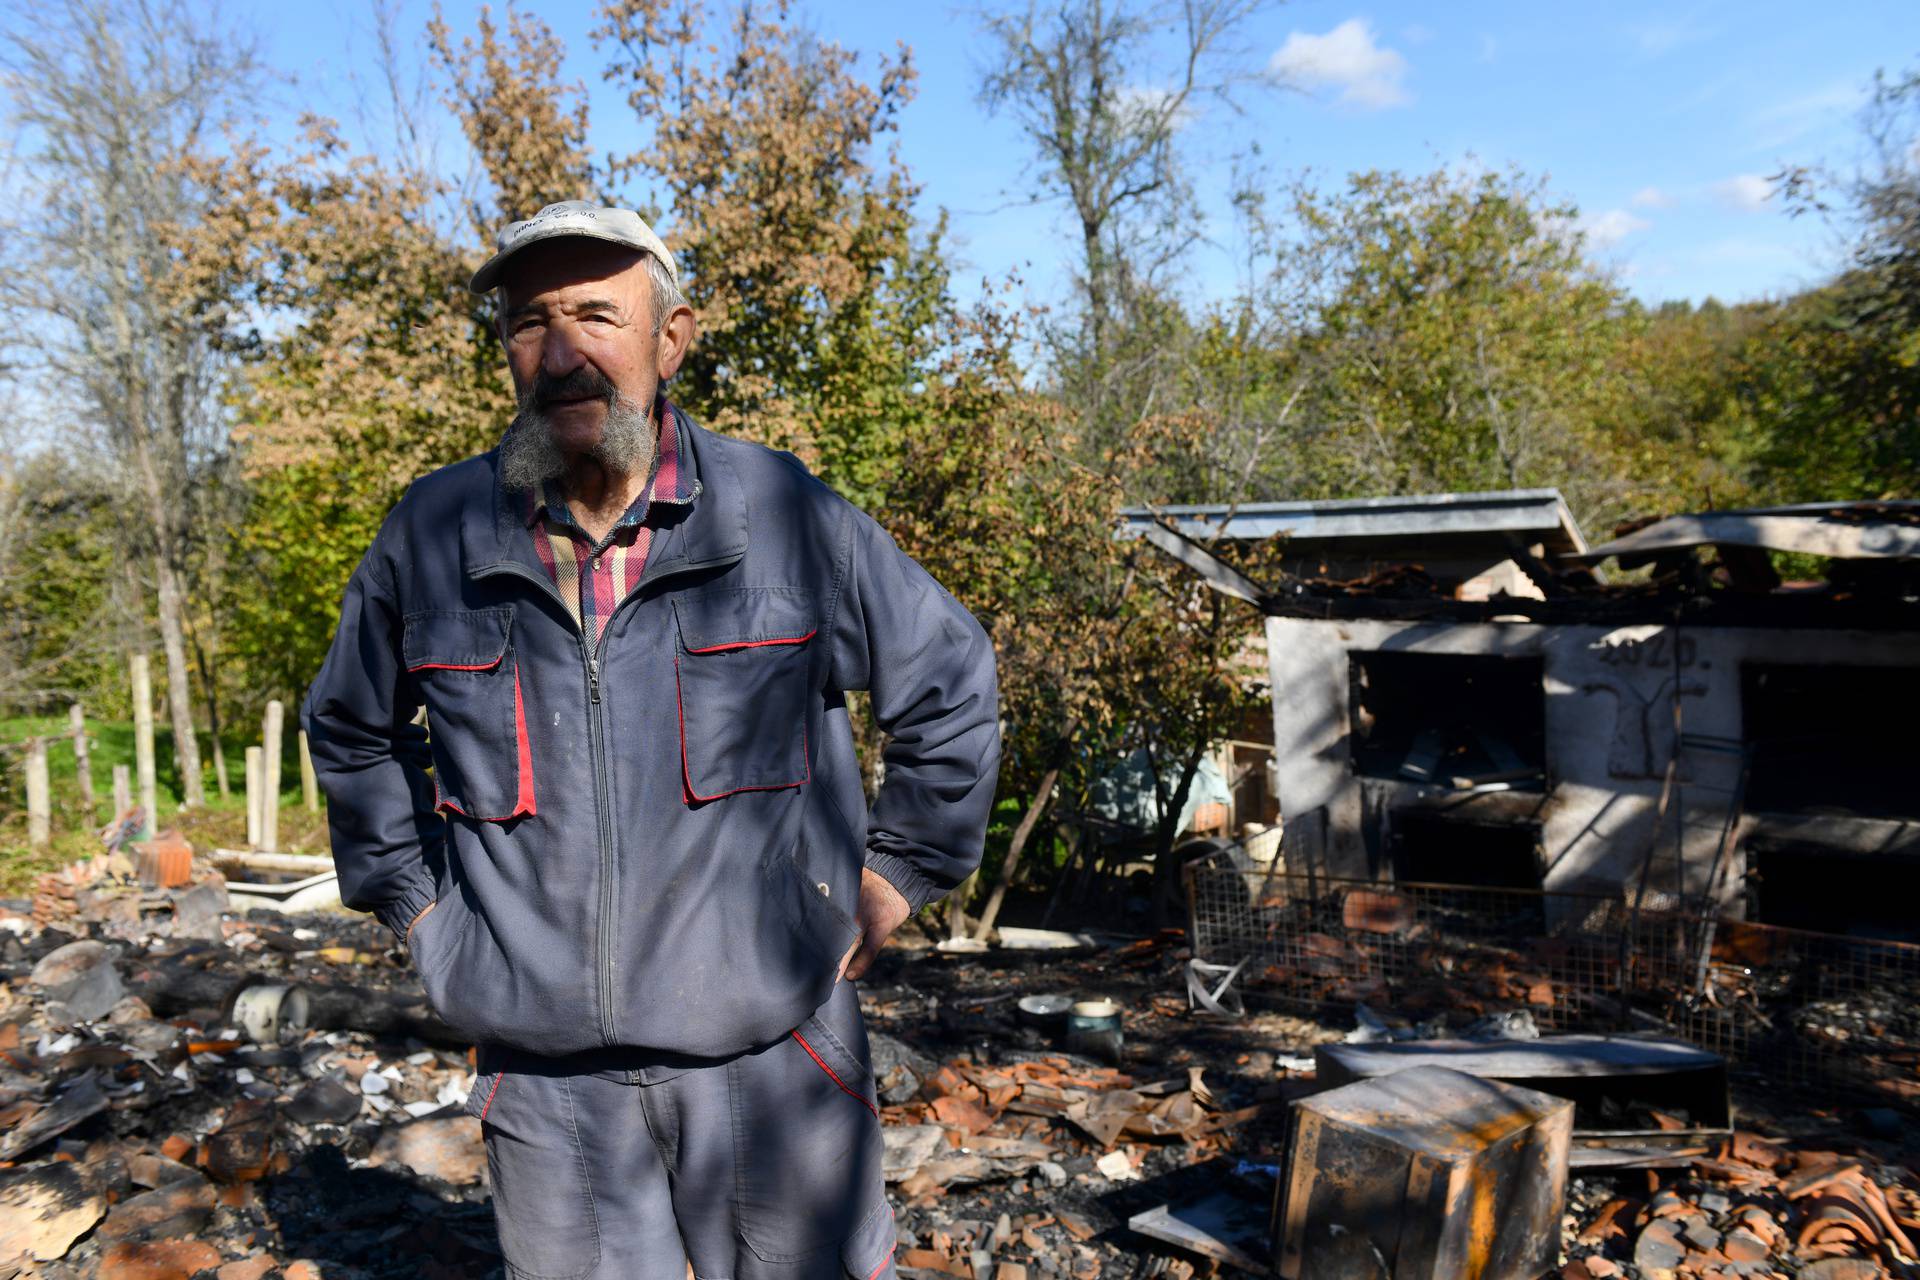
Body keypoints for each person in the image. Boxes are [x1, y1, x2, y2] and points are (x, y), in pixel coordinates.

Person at [303, 201, 1001, 1280]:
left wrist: (898, 871)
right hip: (548, 1088)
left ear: (672, 338)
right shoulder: (436, 532)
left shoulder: (780, 514)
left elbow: (950, 676)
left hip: (771, 1063)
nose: (565, 352)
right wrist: (421, 910)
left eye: (598, 314)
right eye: (532, 322)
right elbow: (351, 728)